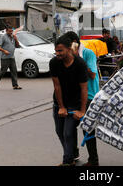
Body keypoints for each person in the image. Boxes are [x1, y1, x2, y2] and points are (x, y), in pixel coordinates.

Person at [50, 35, 88, 166]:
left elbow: (84, 88)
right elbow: (57, 85)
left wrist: (82, 110)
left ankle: (68, 161)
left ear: (69, 49)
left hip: (75, 103)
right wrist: (61, 106)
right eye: (56, 51)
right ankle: (71, 153)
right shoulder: (54, 62)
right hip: (59, 102)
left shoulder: (80, 64)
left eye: (60, 51)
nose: (57, 54)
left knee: (68, 132)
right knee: (59, 131)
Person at [65, 31, 100, 166]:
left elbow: (91, 75)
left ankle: (93, 159)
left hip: (90, 95)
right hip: (76, 96)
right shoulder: (68, 56)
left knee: (88, 128)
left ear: (75, 43)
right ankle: (73, 154)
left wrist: (77, 58)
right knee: (69, 127)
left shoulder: (87, 53)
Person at [0, 25, 22, 90]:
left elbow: (17, 46)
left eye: (12, 31)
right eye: (9, 31)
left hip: (11, 57)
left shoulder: (13, 37)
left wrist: (16, 38)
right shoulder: (3, 37)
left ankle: (15, 85)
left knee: (14, 71)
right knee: (3, 72)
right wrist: (4, 51)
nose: (11, 32)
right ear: (6, 31)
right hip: (5, 58)